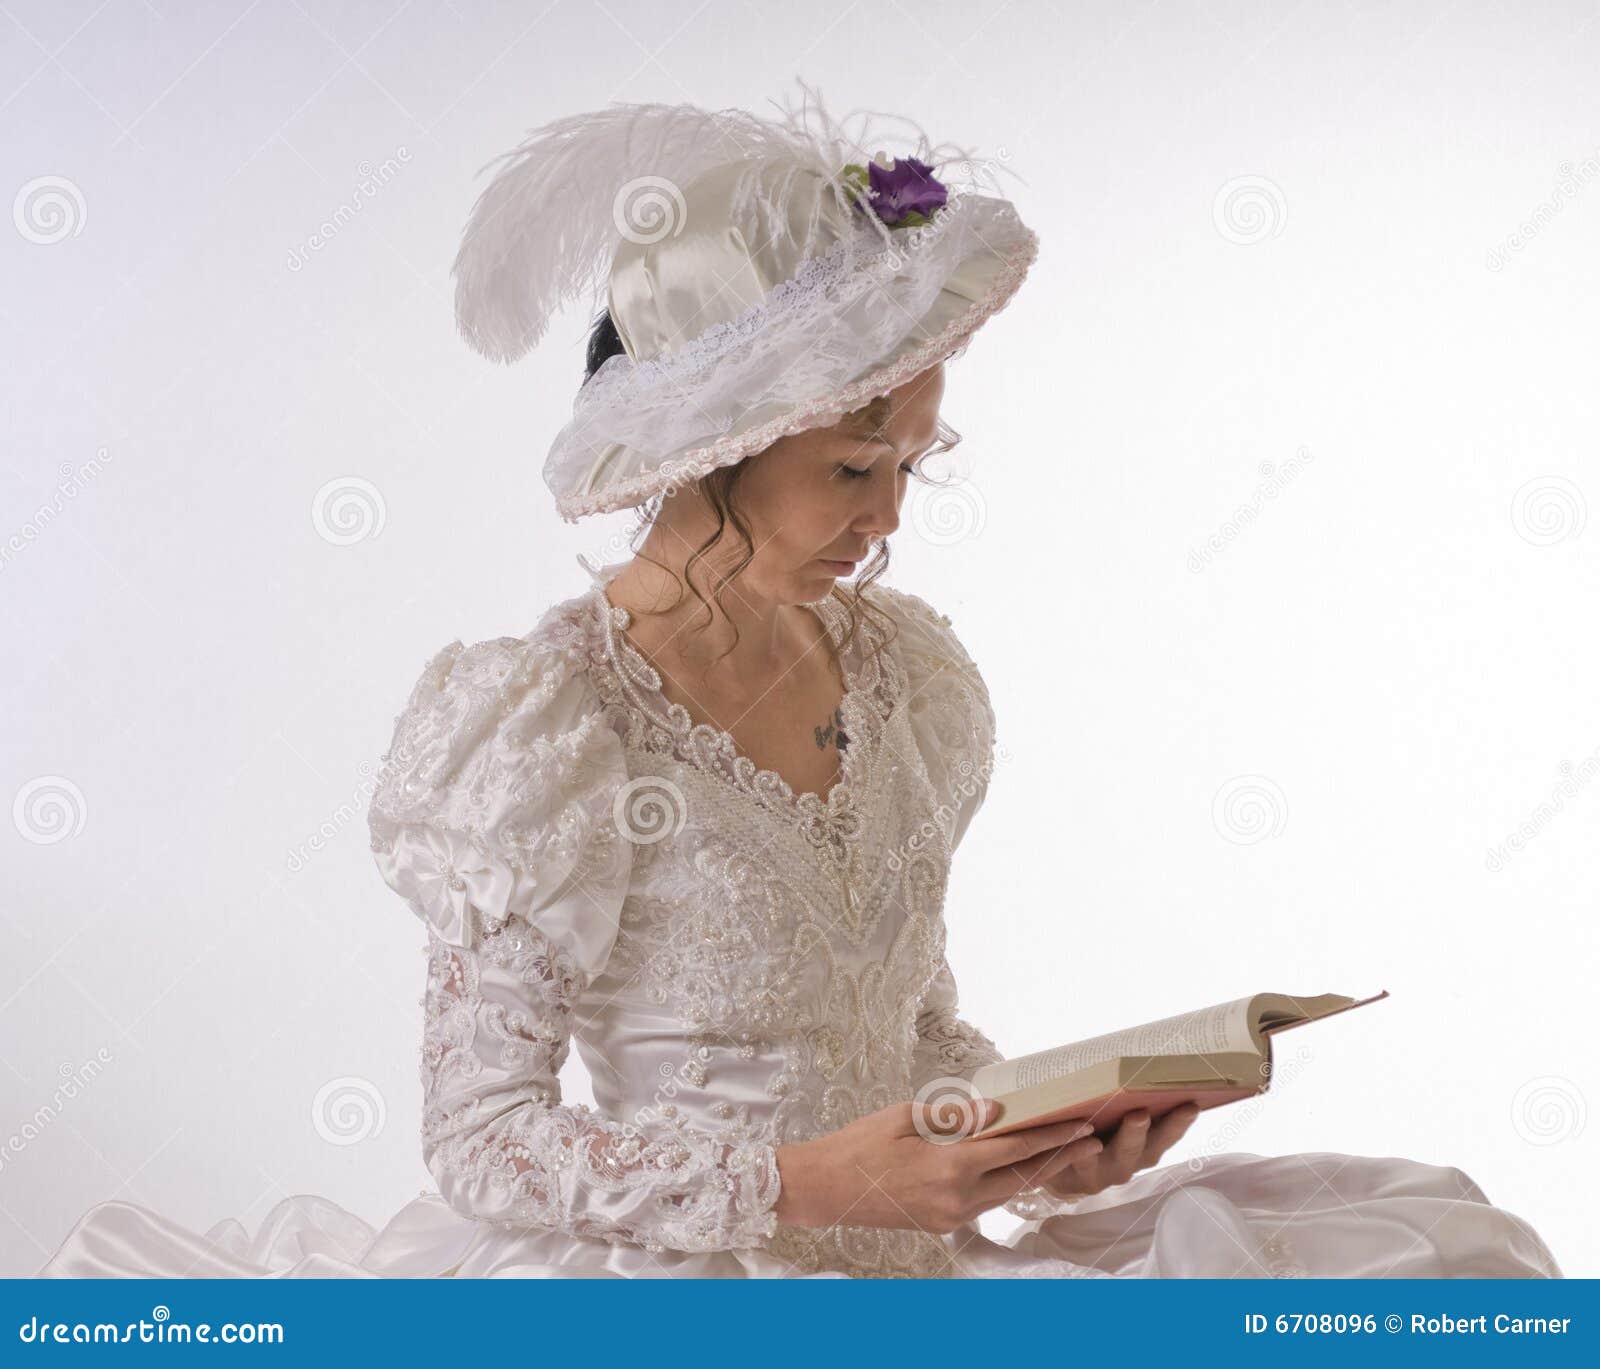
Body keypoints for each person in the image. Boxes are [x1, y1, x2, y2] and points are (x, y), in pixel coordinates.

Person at [38, 83, 1561, 1279]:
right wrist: (808, 1183)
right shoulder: (542, 725)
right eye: (852, 462)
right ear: (714, 446)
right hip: (682, 1280)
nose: (891, 510)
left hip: (925, 1258)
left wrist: (1036, 1137)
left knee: (1430, 1248)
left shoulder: (912, 677)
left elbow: (914, 1030)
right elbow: (481, 1140)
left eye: (913, 459)